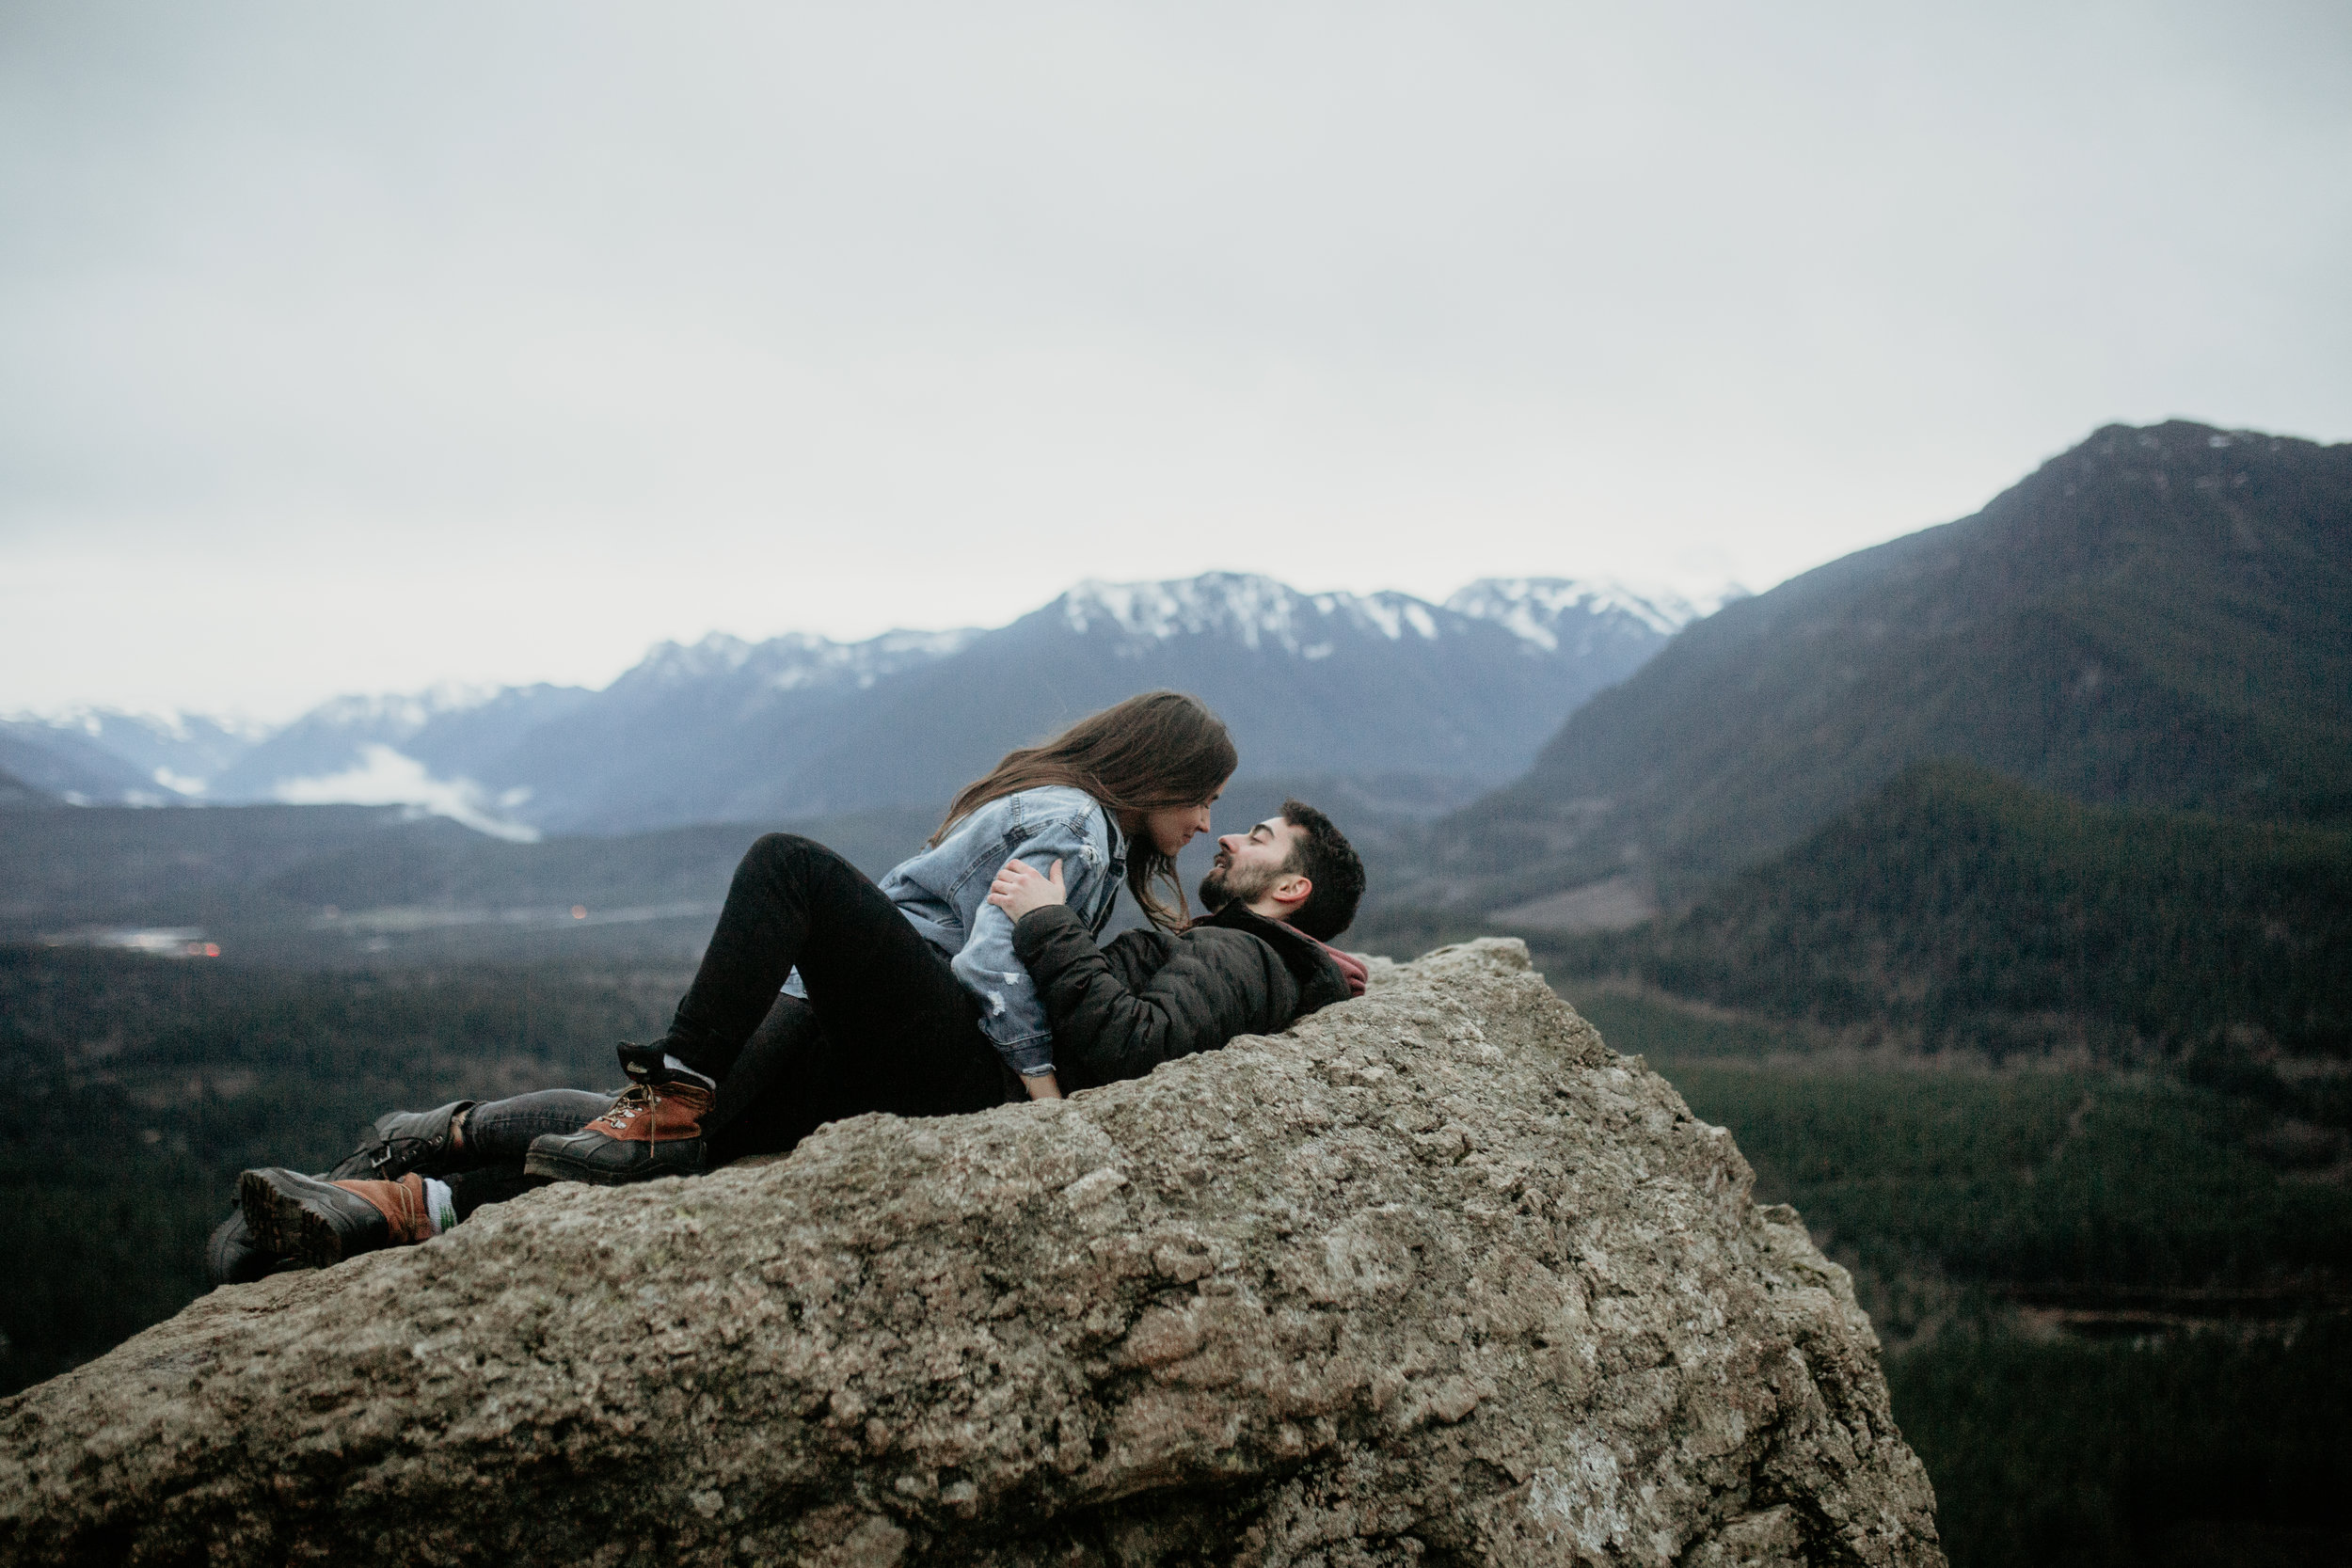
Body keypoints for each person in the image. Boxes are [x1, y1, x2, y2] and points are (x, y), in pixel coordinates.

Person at [219, 800, 1368, 1277]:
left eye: (1257, 833)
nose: (1229, 832)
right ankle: (393, 1194)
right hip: (964, 1070)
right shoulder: (1235, 941)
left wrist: (1044, 916)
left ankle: (434, 1154)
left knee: (789, 872)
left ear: (1290, 887)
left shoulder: (1246, 952)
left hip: (972, 1088)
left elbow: (1123, 1041)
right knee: (708, 1130)